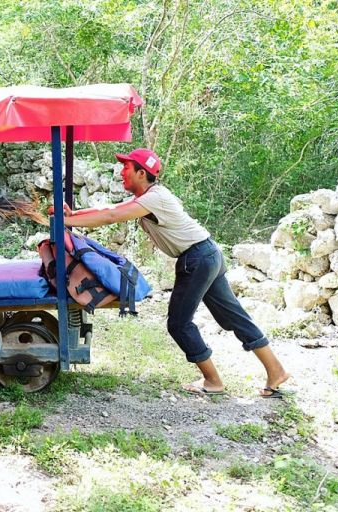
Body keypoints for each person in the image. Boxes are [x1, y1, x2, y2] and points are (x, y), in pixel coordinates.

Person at [52, 148, 290, 398]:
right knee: (234, 317)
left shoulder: (153, 199)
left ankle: (212, 381)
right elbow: (110, 208)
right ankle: (276, 371)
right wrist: (72, 216)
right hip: (208, 253)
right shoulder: (150, 196)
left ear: (141, 173)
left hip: (197, 259)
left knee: (179, 323)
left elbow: (111, 216)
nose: (122, 172)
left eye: (126, 168)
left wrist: (66, 221)